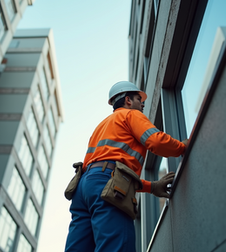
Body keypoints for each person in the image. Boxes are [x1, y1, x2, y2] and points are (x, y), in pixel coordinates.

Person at [65, 81, 188, 252]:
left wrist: (151, 187)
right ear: (128, 101)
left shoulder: (101, 126)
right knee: (116, 246)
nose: (142, 103)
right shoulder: (131, 115)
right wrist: (182, 147)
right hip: (105, 185)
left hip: (83, 188)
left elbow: (108, 174)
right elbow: (156, 141)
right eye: (139, 99)